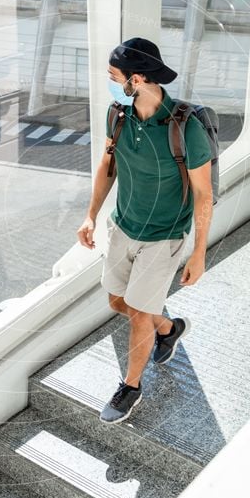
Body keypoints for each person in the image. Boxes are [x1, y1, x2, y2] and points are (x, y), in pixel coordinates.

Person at [77, 37, 214, 425]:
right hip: (123, 226)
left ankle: (131, 387)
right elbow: (108, 167)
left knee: (138, 311)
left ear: (136, 78)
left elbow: (203, 196)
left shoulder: (185, 127)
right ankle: (169, 330)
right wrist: (90, 215)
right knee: (117, 302)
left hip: (164, 235)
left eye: (113, 76)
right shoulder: (117, 115)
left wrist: (199, 252)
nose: (109, 81)